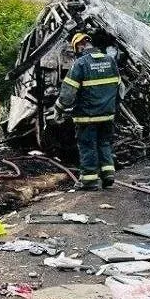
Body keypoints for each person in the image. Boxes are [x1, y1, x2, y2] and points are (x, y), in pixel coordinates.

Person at [55, 33, 119, 190]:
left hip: (87, 116)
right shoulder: (110, 61)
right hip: (107, 115)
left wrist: (59, 109)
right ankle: (108, 176)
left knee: (88, 146)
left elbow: (68, 93)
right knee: (104, 143)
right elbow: (119, 86)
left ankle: (89, 181)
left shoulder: (80, 64)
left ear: (80, 46)